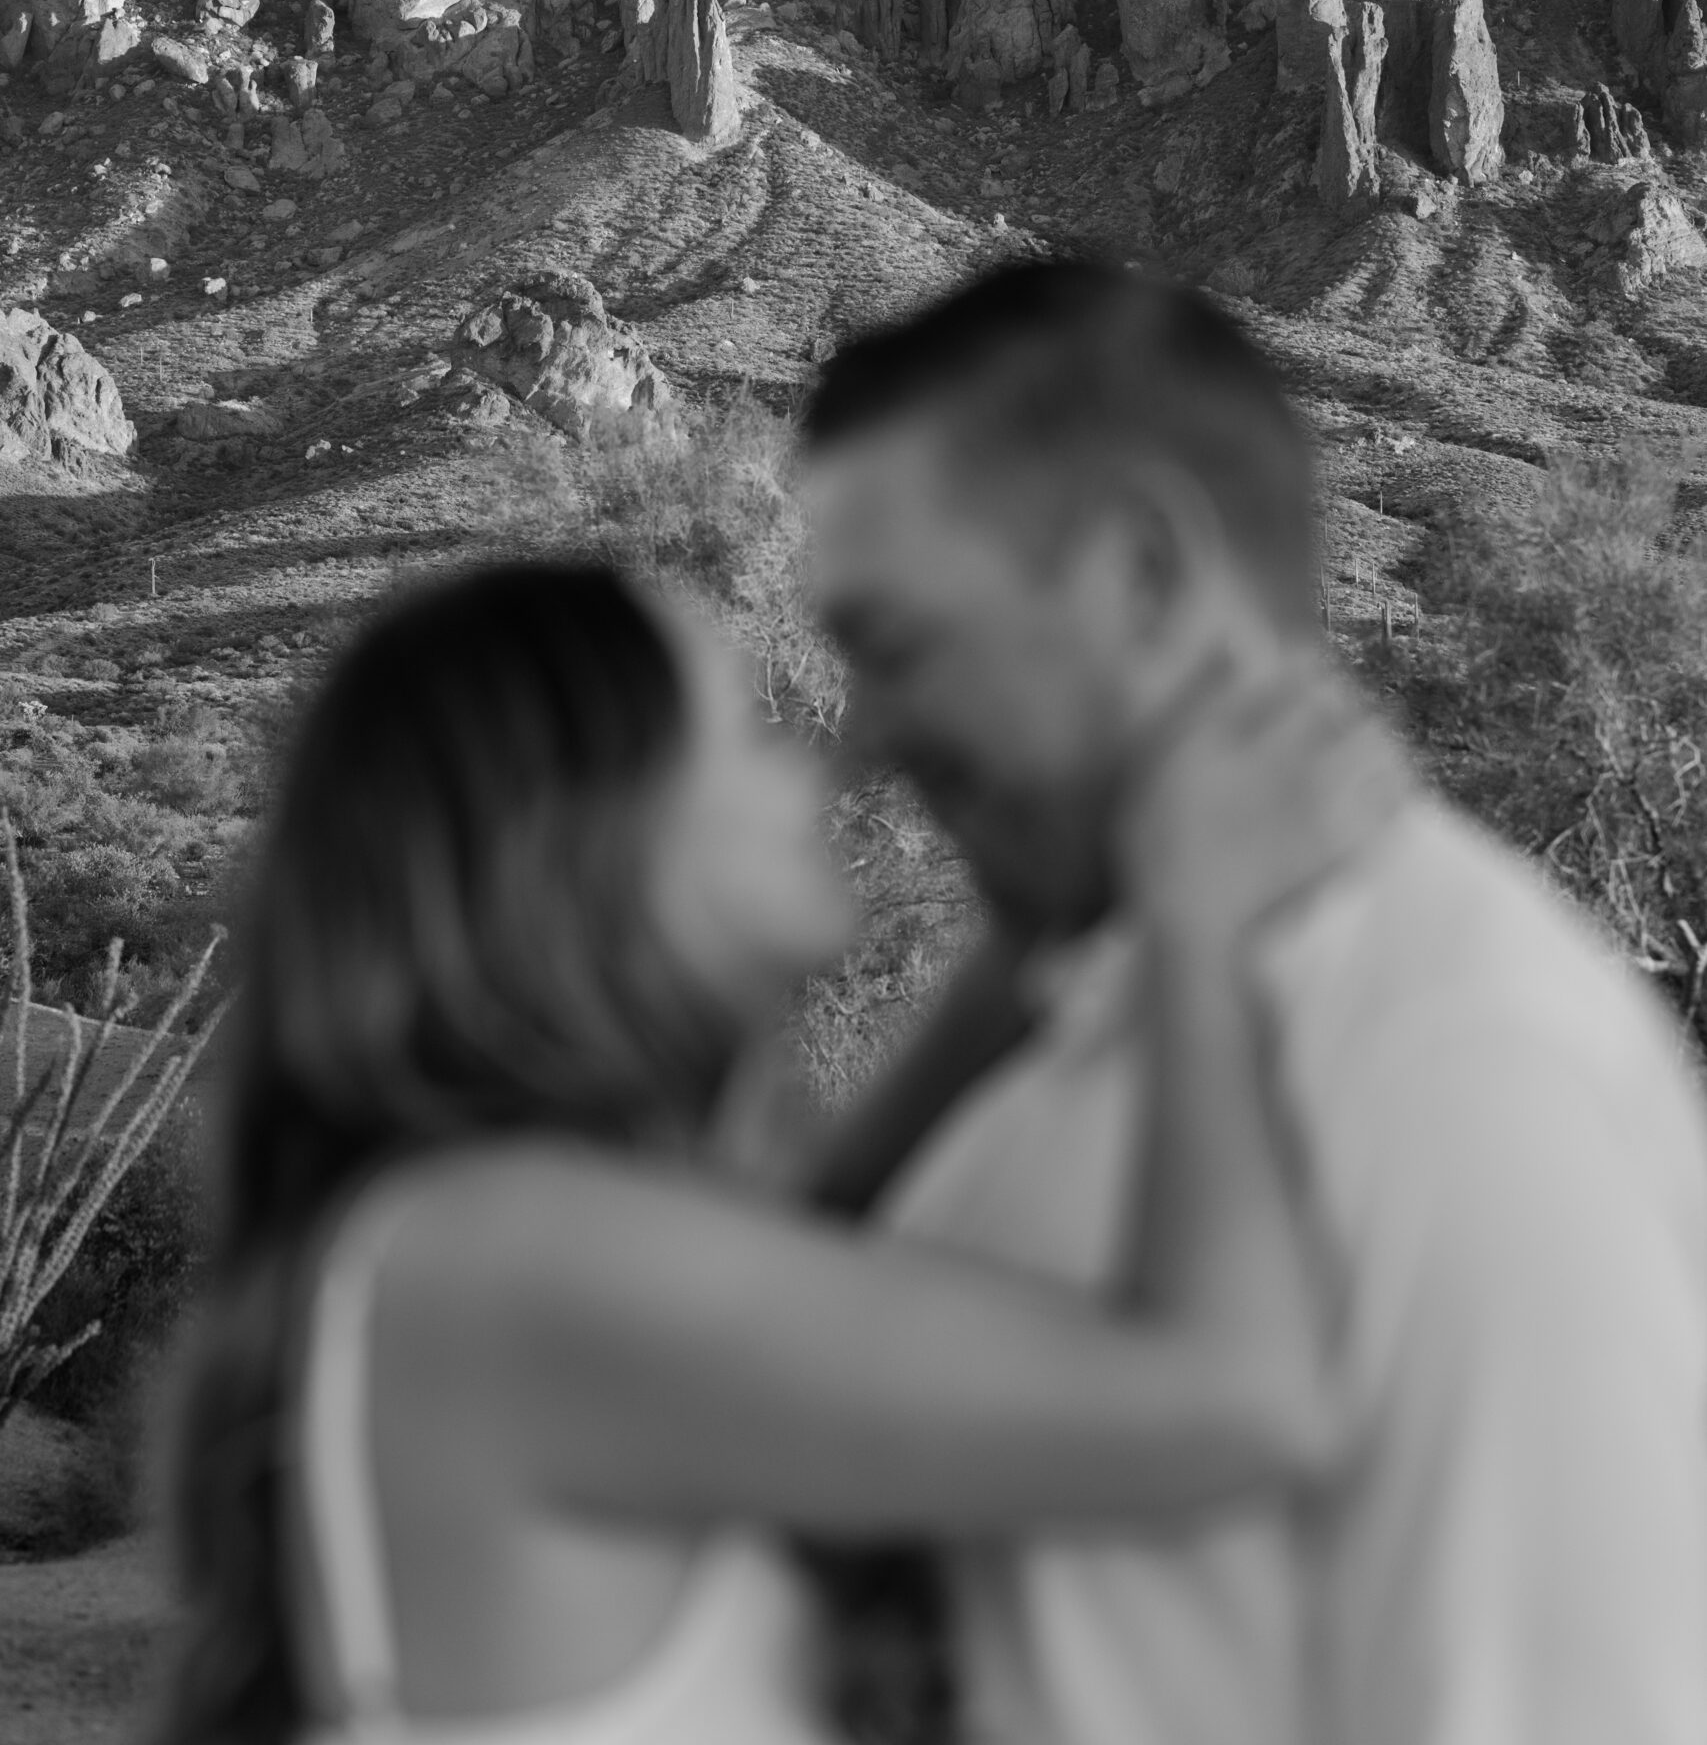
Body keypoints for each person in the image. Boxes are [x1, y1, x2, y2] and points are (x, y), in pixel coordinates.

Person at [152, 555, 1386, 1745]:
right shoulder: (517, 1249)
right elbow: (1239, 1401)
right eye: (747, 728)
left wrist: (1035, 926)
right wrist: (1198, 921)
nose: (821, 765)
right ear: (589, 836)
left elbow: (825, 1235)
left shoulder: (480, 1231)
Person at [799, 257, 1707, 1745]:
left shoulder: (1457, 1071)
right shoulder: (1105, 1015)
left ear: (1141, 576)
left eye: (900, 651)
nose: (867, 742)